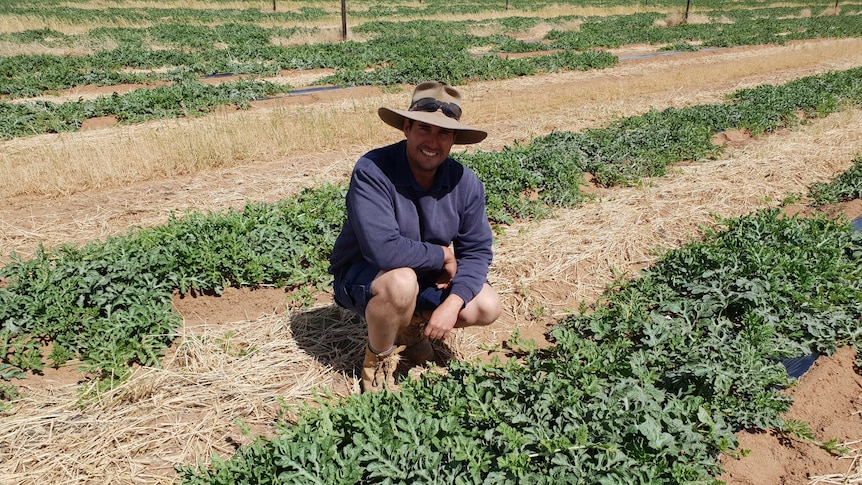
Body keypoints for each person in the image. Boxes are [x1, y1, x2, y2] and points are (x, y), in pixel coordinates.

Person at [329, 81, 502, 393]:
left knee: (486, 305)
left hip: (421, 277)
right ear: (406, 127)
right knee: (401, 282)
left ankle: (411, 329)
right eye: (424, 128)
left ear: (454, 139)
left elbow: (476, 251)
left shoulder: (465, 183)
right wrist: (444, 255)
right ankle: (378, 361)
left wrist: (453, 302)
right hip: (364, 277)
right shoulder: (373, 170)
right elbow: (384, 250)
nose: (432, 142)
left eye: (443, 133)